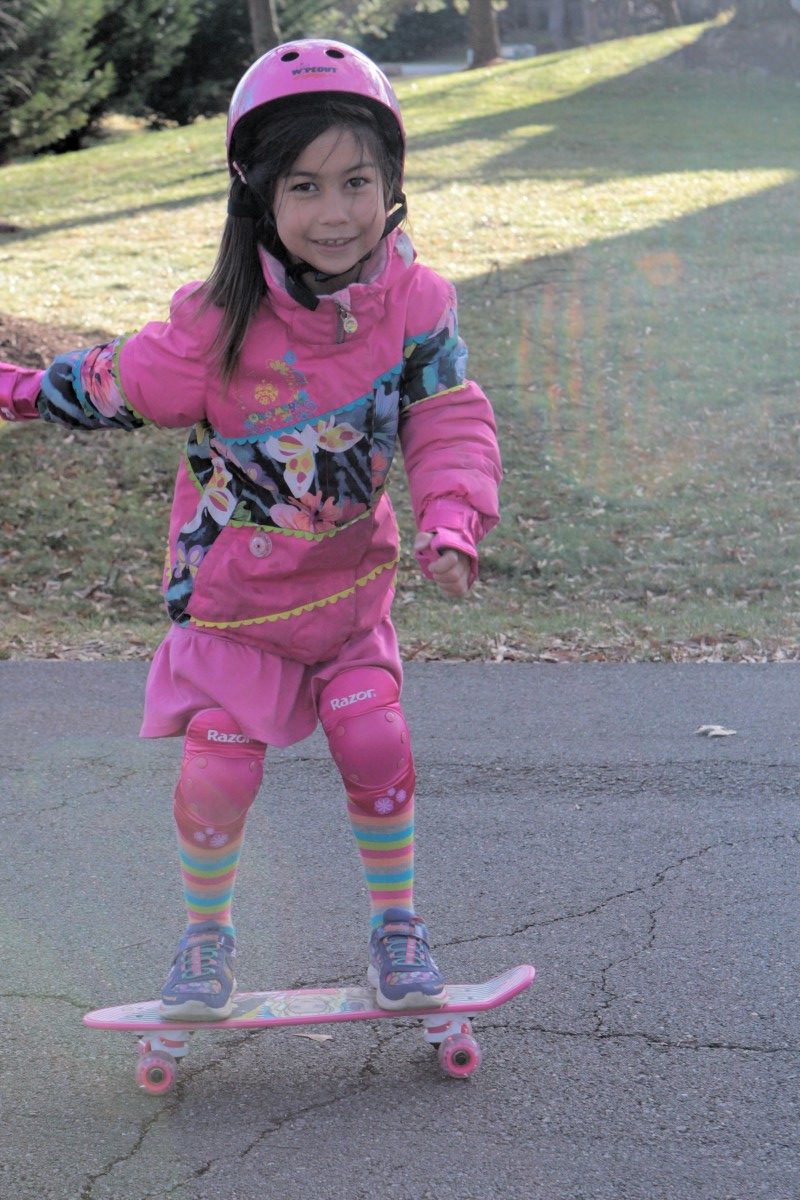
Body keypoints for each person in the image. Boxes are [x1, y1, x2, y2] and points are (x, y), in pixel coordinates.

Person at [0, 39, 501, 1019]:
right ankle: (205, 939)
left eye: (357, 181)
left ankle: (396, 927)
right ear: (258, 197)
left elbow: (446, 418)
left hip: (348, 599)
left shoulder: (415, 305)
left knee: (375, 738)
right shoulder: (214, 328)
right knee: (216, 772)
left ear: (391, 185)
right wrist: (12, 389)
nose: (336, 212)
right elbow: (108, 385)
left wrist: (452, 518)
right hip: (235, 610)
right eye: (304, 186)